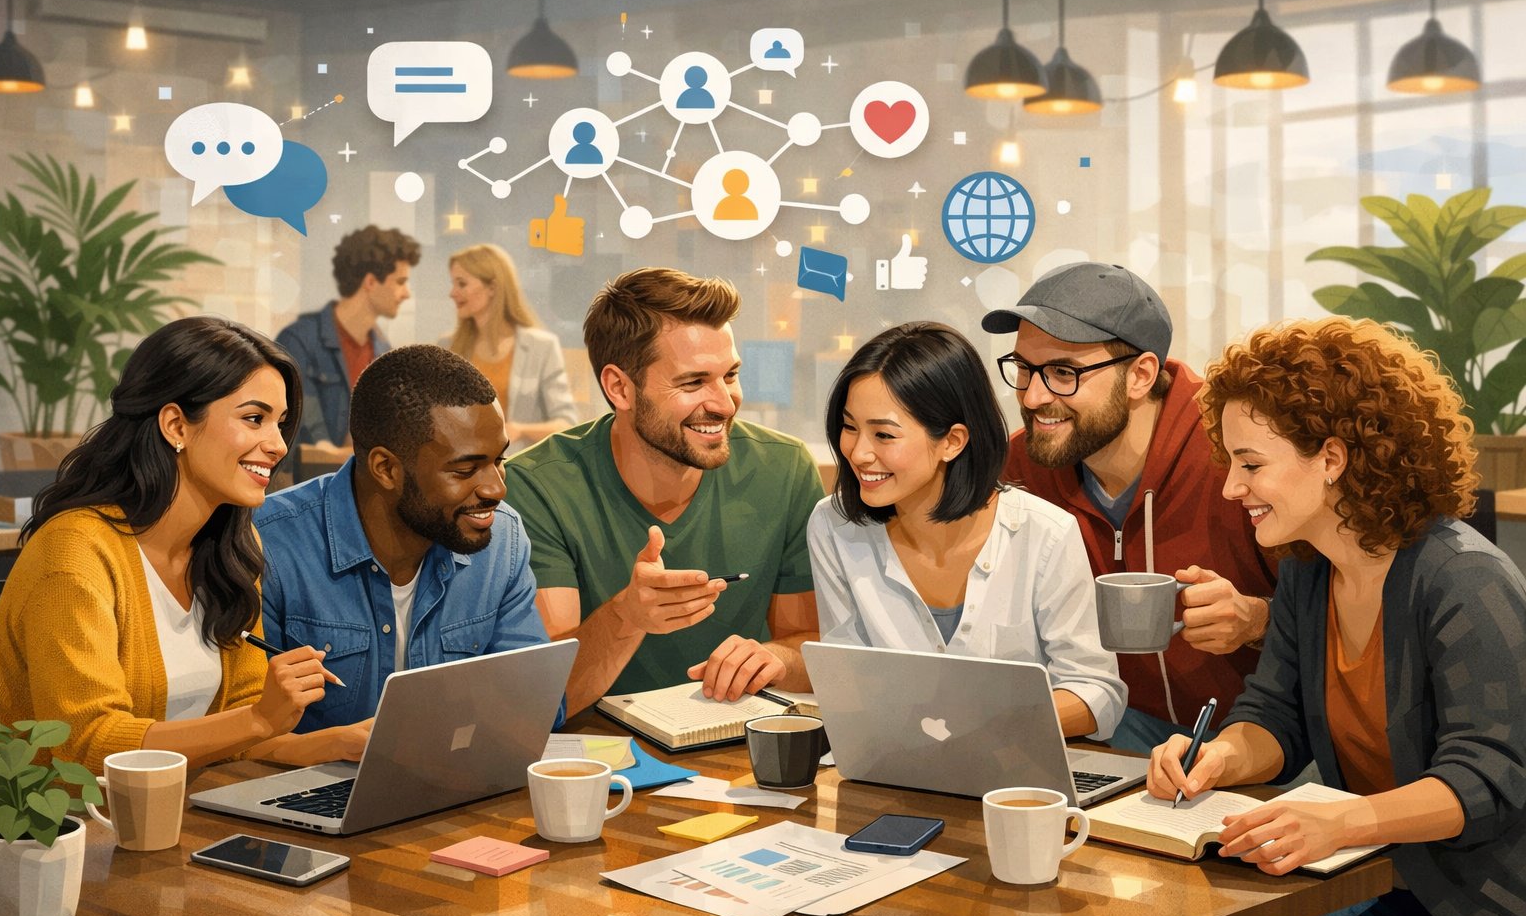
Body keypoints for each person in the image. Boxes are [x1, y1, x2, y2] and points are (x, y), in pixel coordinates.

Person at [1148, 317, 1526, 916]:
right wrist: (1221, 758)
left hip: (1493, 906)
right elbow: (1273, 714)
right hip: (1383, 875)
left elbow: (1487, 781)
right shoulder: (1309, 572)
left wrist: (1340, 823)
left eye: (1251, 464)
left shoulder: (1464, 579)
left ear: (1332, 457)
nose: (1232, 488)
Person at [0, 317, 335, 774]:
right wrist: (257, 720)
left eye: (280, 423)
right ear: (176, 425)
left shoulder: (233, 545)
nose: (277, 445)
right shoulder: (73, 554)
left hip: (180, 820)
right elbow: (87, 745)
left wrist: (340, 746)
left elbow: (238, 729)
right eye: (254, 418)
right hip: (68, 833)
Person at [984, 262, 1277, 752]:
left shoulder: (1236, 452)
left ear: (1141, 374)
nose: (1033, 396)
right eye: (1023, 369)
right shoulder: (1020, 465)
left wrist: (1257, 620)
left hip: (1259, 743)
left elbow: (1344, 612)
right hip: (1106, 734)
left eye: (1062, 373)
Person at [504, 267, 822, 716]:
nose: (725, 403)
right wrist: (627, 617)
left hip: (734, 747)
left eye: (730, 375)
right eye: (693, 382)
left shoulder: (784, 468)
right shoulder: (537, 485)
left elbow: (806, 644)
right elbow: (544, 695)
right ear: (619, 388)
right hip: (597, 755)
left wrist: (777, 659)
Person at [807, 322, 1125, 739]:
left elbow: (1095, 691)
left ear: (953, 441)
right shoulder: (833, 526)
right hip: (890, 766)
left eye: (884, 434)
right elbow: (846, 677)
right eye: (850, 427)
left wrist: (989, 722)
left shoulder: (1046, 534)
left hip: (1018, 782)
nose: (859, 452)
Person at [255, 345, 563, 758]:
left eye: (499, 460)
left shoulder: (501, 540)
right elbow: (240, 738)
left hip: (453, 788)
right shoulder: (268, 546)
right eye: (464, 469)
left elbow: (536, 708)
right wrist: (329, 747)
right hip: (306, 797)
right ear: (386, 469)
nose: (496, 489)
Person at [276, 225, 420, 447]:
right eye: (400, 281)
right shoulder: (299, 341)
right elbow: (309, 440)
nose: (407, 293)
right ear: (371, 282)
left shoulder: (383, 350)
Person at [447, 244, 578, 446]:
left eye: (461, 284)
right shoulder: (448, 347)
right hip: (463, 469)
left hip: (520, 468)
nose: (452, 293)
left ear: (492, 288)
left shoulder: (541, 347)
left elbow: (567, 423)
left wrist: (520, 429)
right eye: (453, 283)